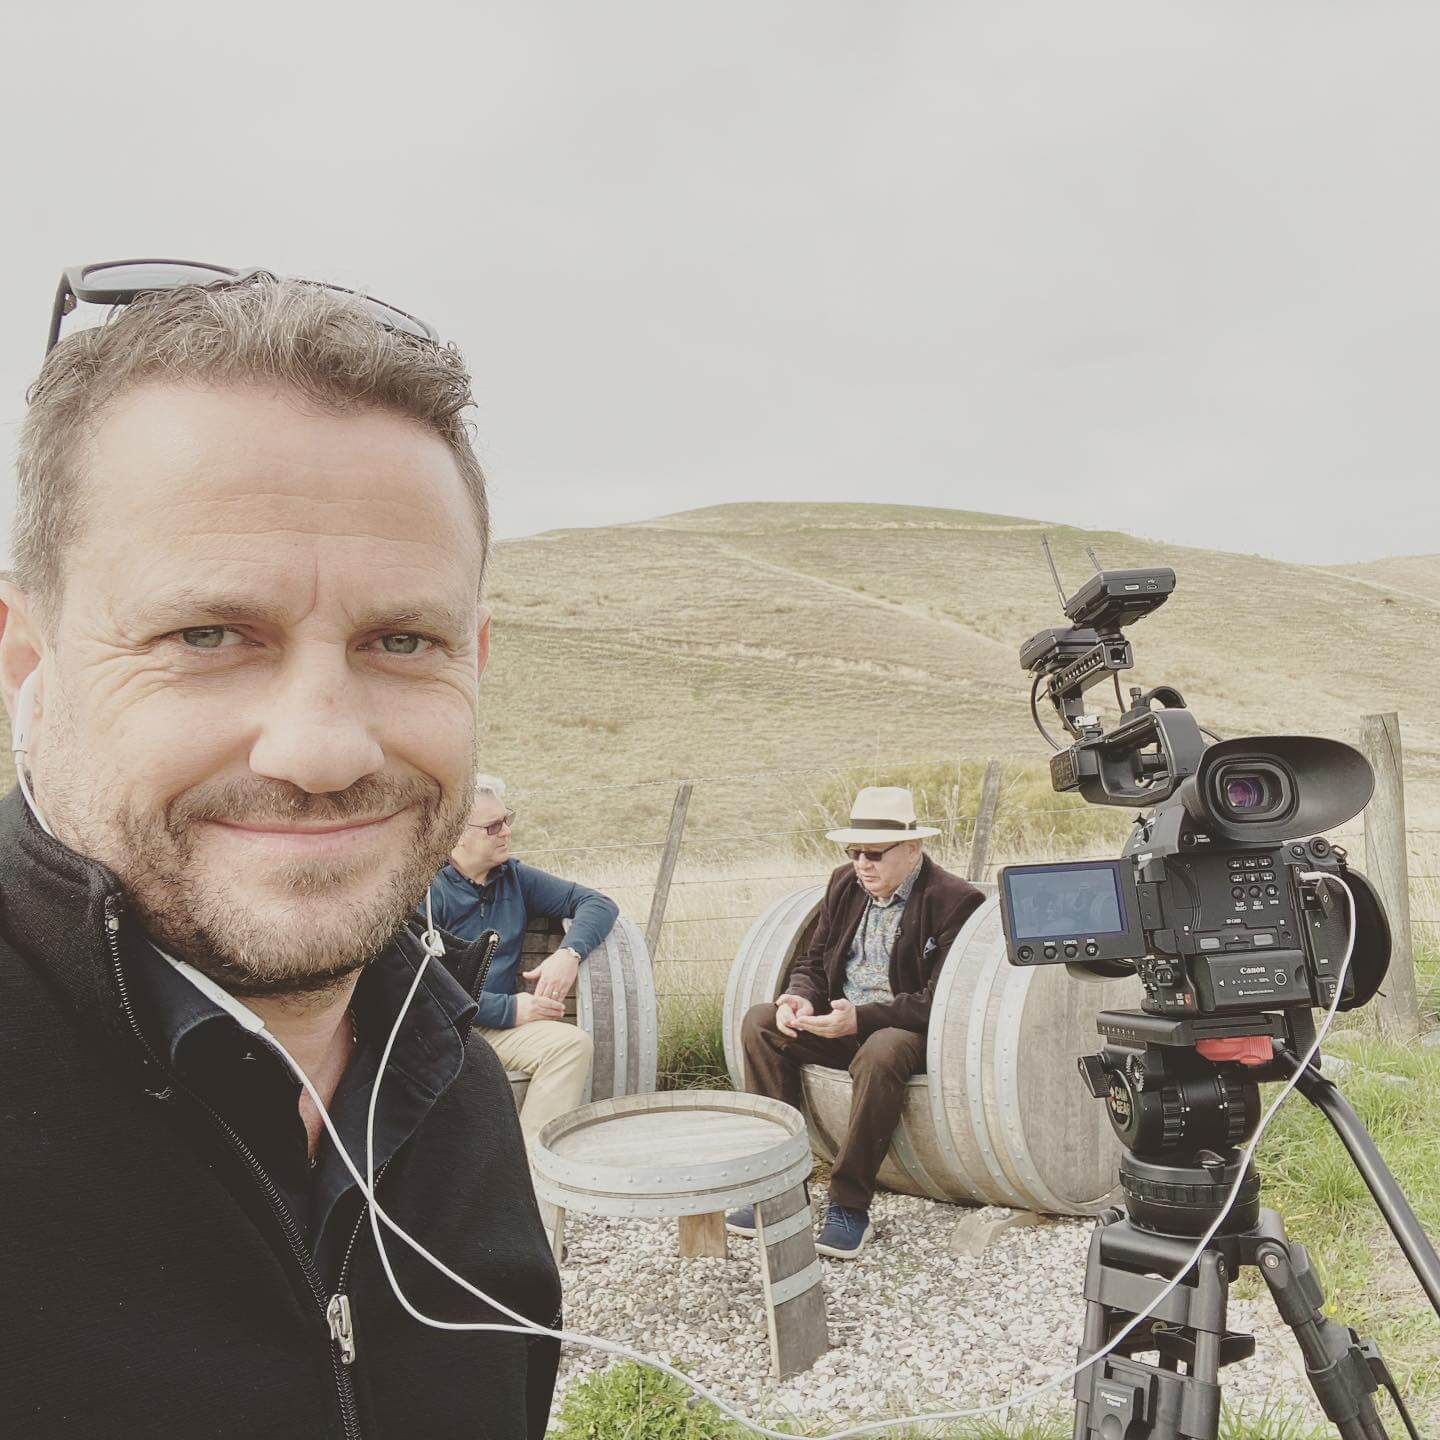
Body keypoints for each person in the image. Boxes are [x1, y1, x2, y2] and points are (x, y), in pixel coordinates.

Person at [0, 265, 560, 1438]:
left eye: (402, 639)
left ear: (476, 658)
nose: (322, 748)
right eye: (207, 633)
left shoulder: (448, 1079)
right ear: (25, 662)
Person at [728, 787, 984, 1258]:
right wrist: (799, 999)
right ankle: (780, 1188)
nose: (862, 864)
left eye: (874, 854)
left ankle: (849, 1204)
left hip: (904, 1031)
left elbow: (941, 1002)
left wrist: (861, 1019)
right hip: (840, 1022)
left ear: (912, 849)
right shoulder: (843, 884)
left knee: (881, 1050)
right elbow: (814, 961)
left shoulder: (954, 901)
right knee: (762, 1023)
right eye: (855, 852)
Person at [428, 775, 618, 1154]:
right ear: (455, 834)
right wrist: (509, 1008)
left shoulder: (513, 878)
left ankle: (529, 1171)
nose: (506, 832)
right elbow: (426, 987)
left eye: (507, 819)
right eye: (493, 826)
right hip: (438, 1031)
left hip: (492, 1031)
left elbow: (598, 904)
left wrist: (568, 954)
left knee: (570, 1046)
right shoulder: (426, 891)